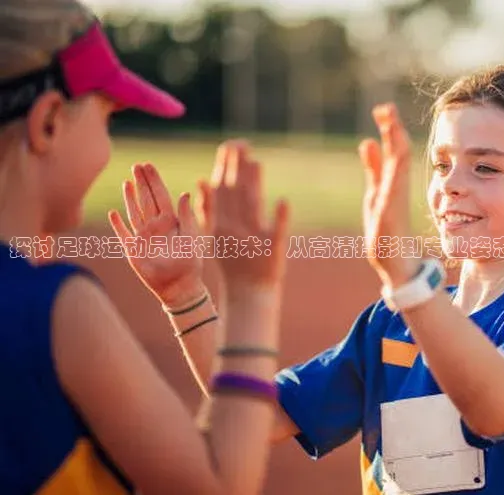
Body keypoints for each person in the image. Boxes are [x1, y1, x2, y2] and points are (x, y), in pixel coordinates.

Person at [150, 60, 504, 495]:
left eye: (485, 167)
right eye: (442, 164)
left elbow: (497, 411)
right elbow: (259, 416)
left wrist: (408, 282)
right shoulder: (391, 321)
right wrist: (185, 296)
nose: (450, 184)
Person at [0, 2, 291, 494]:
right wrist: (251, 295)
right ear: (48, 122)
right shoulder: (57, 308)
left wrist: (183, 295)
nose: (108, 144)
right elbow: (216, 485)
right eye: (106, 119)